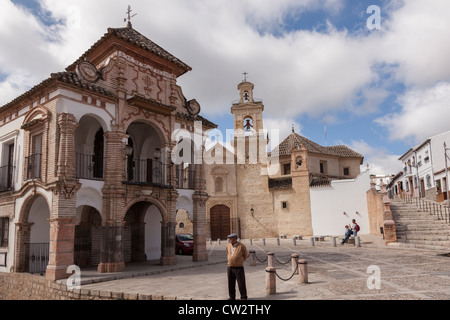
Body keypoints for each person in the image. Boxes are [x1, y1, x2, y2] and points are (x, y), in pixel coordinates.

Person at [226, 233, 248, 300]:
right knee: (231, 283)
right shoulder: (228, 246)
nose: (230, 240)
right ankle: (232, 296)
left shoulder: (241, 246)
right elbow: (228, 253)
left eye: (231, 238)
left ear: (235, 239)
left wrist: (239, 261)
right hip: (230, 267)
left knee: (241, 283)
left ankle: (243, 296)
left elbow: (245, 255)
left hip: (239, 267)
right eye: (229, 238)